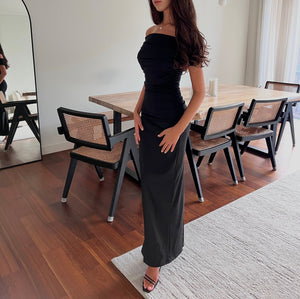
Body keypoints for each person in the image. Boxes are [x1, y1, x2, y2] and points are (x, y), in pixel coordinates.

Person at [134, 0, 209, 293]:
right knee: (151, 187)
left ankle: (155, 259)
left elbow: (200, 93)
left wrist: (178, 130)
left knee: (164, 190)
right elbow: (148, 79)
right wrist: (135, 111)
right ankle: (166, 245)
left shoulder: (189, 36)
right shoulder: (151, 31)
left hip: (170, 122)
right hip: (148, 118)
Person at [0, 43, 9, 141]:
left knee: (2, 109)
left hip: (0, 84)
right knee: (3, 108)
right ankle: (7, 134)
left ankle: (6, 133)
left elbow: (4, 73)